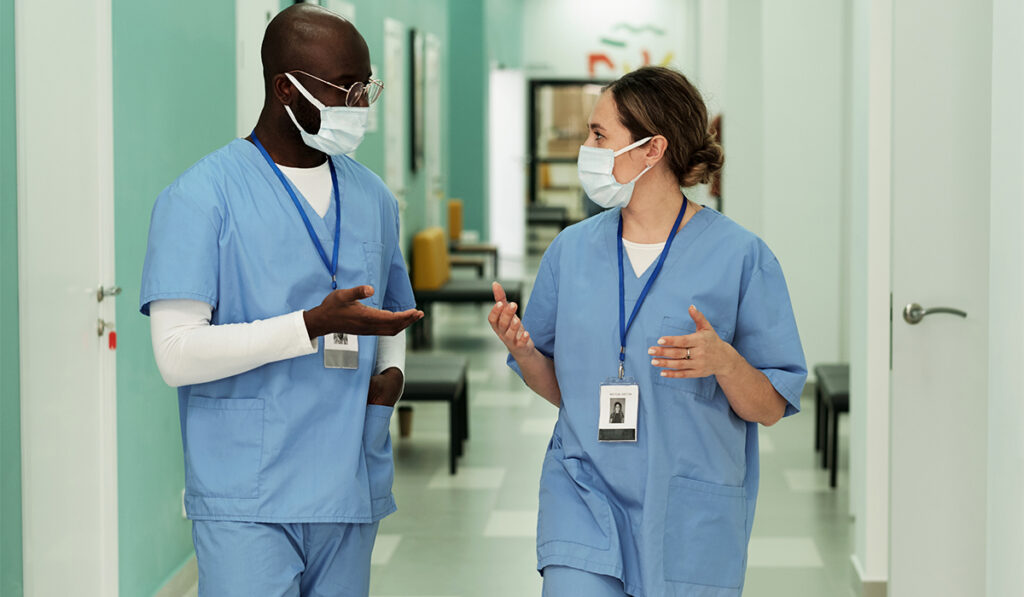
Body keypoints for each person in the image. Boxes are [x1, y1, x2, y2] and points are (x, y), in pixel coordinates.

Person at [487, 66, 806, 597]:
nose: (585, 148)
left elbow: (770, 408)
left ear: (652, 149)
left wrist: (725, 362)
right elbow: (564, 390)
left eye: (598, 135)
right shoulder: (572, 251)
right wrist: (523, 351)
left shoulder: (741, 257)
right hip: (583, 490)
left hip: (685, 508)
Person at [139, 5, 423, 595]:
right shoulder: (200, 198)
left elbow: (393, 312)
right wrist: (309, 325)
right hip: (248, 490)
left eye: (366, 87)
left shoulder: (372, 196)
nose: (360, 105)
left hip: (348, 478)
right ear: (284, 88)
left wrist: (391, 376)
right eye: (345, 89)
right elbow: (175, 353)